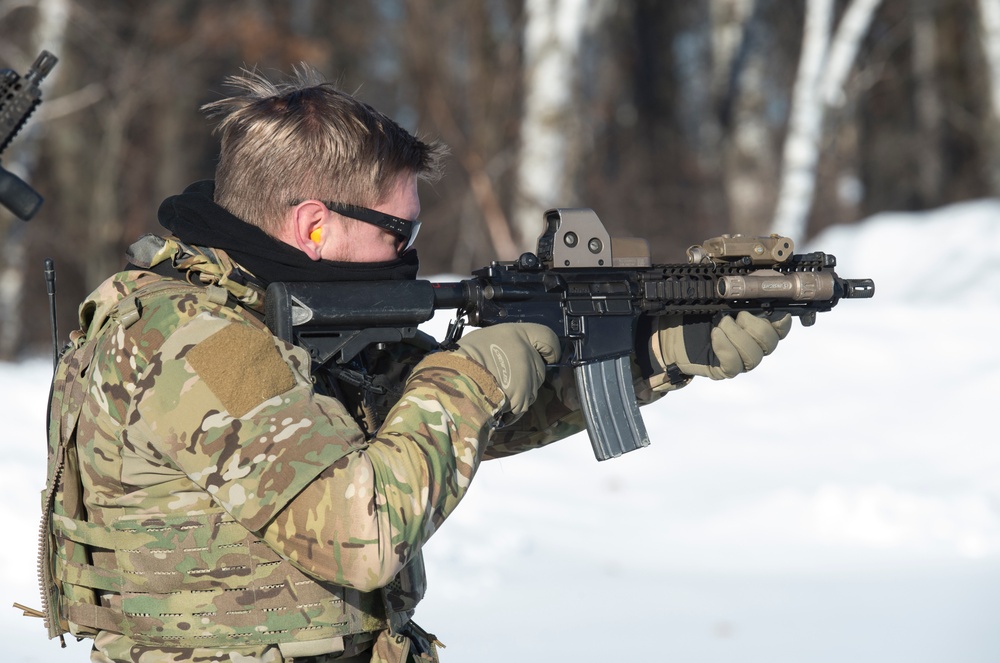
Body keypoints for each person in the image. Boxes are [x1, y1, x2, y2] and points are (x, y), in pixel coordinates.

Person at [38, 65, 790, 663]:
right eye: (400, 228)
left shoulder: (290, 311)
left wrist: (662, 352)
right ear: (315, 225)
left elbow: (445, 431)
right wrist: (473, 372)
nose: (411, 250)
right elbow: (359, 531)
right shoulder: (198, 343)